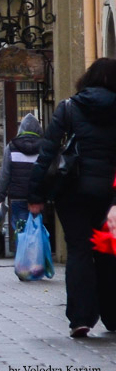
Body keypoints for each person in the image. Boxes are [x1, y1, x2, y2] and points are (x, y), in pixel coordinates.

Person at [29, 58, 116, 338]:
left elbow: (47, 152)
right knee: (107, 252)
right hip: (109, 195)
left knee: (79, 251)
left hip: (73, 191)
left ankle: (81, 319)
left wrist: (35, 195)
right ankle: (113, 316)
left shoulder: (69, 107)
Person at [0, 112, 42, 242]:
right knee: (36, 229)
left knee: (20, 230)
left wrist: (1, 196)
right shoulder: (43, 147)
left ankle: (23, 258)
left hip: (17, 197)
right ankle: (36, 258)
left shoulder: (11, 147)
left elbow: (5, 174)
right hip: (37, 197)